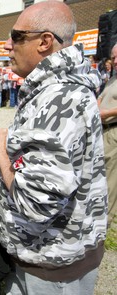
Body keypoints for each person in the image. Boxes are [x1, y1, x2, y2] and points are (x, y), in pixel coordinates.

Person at [0, 2, 107, 294]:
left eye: (16, 36)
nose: (6, 45)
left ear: (44, 41)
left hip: (50, 266)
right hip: (59, 255)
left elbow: (34, 205)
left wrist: (0, 152)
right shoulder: (62, 88)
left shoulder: (58, 100)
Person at [98, 43, 117, 227]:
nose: (115, 61)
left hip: (114, 131)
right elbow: (102, 97)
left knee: (111, 176)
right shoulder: (113, 78)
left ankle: (106, 220)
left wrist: (104, 114)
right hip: (103, 129)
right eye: (113, 57)